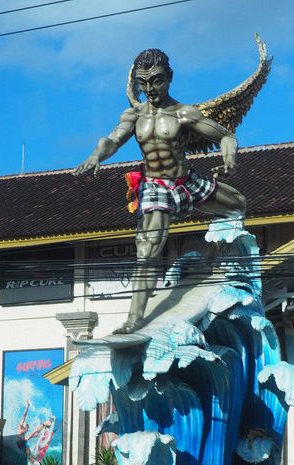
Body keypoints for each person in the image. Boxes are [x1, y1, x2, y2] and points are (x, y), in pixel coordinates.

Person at [75, 48, 252, 334]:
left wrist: (229, 160)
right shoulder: (135, 115)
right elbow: (112, 140)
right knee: (147, 251)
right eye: (143, 83)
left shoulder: (184, 113)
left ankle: (220, 256)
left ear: (169, 78)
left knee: (237, 204)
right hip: (155, 187)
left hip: (186, 182)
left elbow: (226, 137)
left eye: (156, 81)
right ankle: (134, 319)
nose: (150, 89)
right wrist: (97, 155)